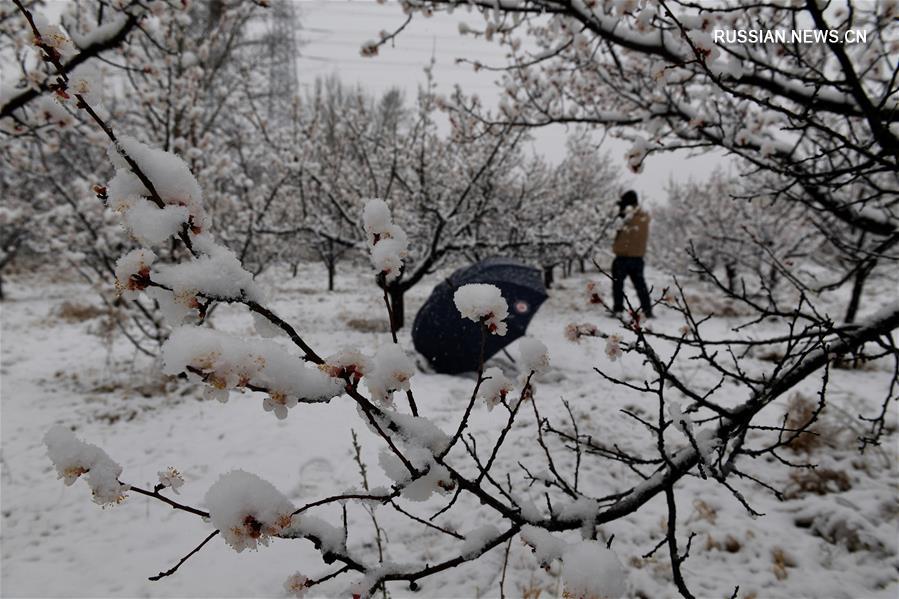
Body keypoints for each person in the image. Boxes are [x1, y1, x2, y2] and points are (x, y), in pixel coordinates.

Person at [611, 190, 653, 318]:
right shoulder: (644, 217)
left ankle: (618, 310)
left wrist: (619, 210)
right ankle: (647, 310)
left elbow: (616, 226)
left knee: (618, 285)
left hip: (623, 257)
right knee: (641, 286)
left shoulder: (626, 216)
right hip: (638, 258)